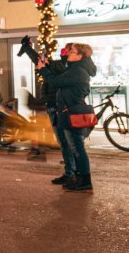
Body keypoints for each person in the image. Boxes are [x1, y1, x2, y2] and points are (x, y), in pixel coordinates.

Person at [41, 43, 97, 192]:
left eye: (71, 52)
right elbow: (59, 78)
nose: (68, 54)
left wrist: (42, 69)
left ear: (79, 56)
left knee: (77, 147)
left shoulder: (78, 71)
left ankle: (85, 180)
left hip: (72, 114)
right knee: (75, 147)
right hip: (68, 112)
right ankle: (79, 178)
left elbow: (55, 81)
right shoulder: (75, 69)